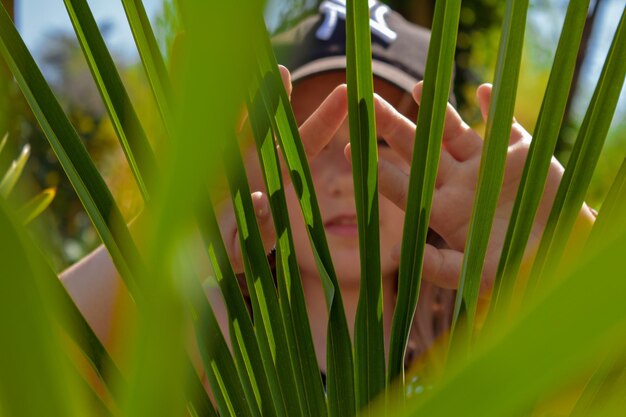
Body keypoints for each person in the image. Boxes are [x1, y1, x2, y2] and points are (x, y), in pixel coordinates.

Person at [61, 0, 596, 376]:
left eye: (380, 144)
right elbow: (28, 356)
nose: (345, 177)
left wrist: (573, 261)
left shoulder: (483, 344)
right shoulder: (206, 346)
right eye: (307, 143)